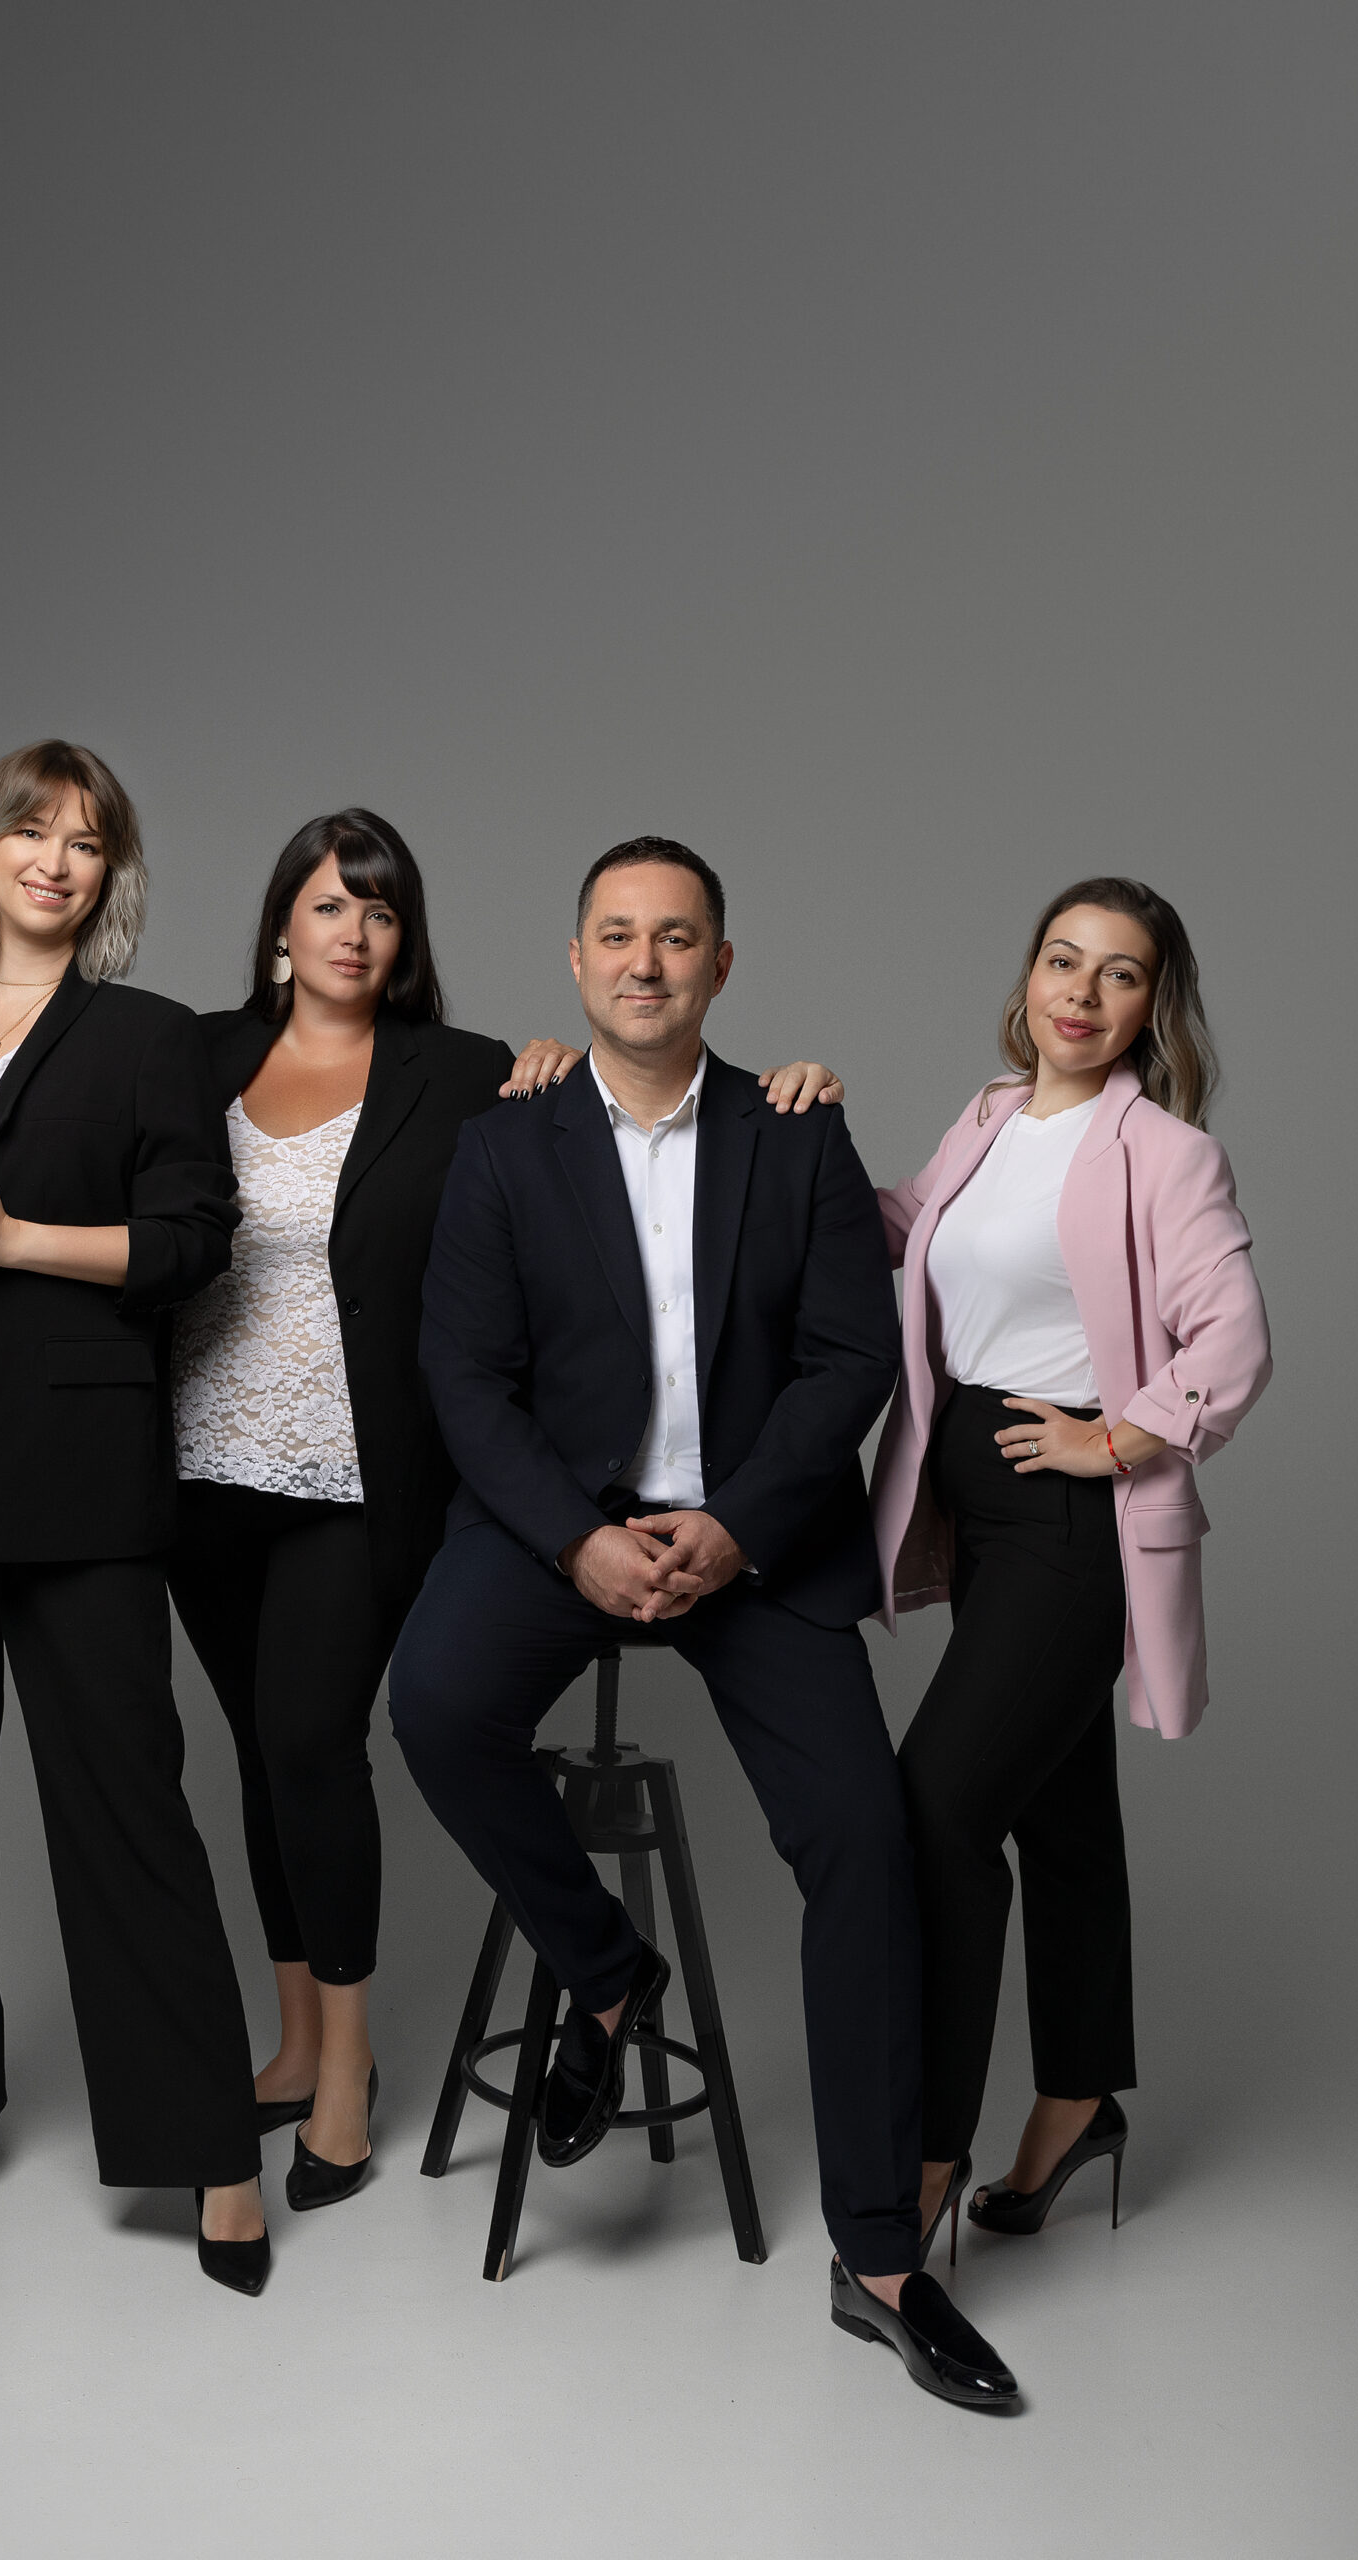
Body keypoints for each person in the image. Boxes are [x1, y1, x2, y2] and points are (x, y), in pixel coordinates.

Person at [388, 837, 1021, 2410]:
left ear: (722, 965)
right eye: (618, 936)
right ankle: (609, 1977)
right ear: (579, 959)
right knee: (438, 1708)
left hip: (755, 1539)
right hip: (564, 1532)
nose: (647, 962)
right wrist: (576, 1540)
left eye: (678, 938)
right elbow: (463, 1374)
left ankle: (880, 2255)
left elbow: (848, 1360)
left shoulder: (794, 1130)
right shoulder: (508, 1142)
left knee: (865, 1845)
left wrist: (733, 1529)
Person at [168, 809, 842, 2211]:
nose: (355, 932)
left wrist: (773, 1089)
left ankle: (344, 2077)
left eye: (383, 911)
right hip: (206, 1460)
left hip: (366, 1473)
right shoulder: (202, 1057)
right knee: (259, 1756)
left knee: (315, 1738)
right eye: (329, 907)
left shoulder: (474, 1072)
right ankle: (295, 2038)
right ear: (280, 928)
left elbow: (612, 1094)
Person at [0, 738, 271, 2296]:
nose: (57, 860)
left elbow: (192, 1245)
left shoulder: (149, 1039)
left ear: (110, 878)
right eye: (33, 830)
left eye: (89, 842)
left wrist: (14, 1238)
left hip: (78, 1474)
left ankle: (213, 2149)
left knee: (124, 1806)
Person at [869, 877, 1270, 2259]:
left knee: (937, 1809)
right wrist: (781, 1134)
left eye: (1119, 974)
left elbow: (1232, 1339)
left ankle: (926, 2152)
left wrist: (1127, 1436)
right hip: (974, 1501)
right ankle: (1080, 2093)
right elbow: (899, 1232)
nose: (1081, 994)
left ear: (1154, 1006)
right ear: (1029, 974)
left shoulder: (1163, 1152)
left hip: (1068, 1526)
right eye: (1062, 959)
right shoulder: (986, 1117)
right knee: (1062, 1813)